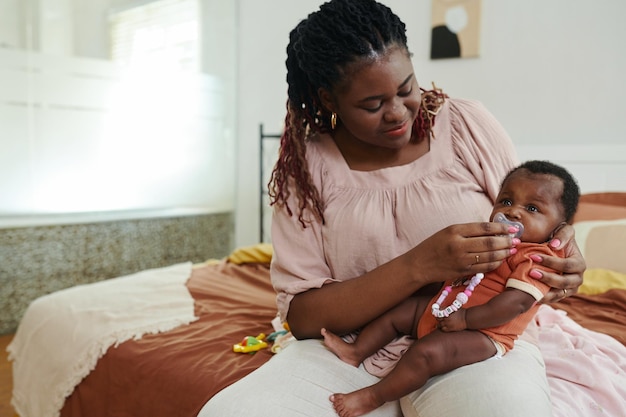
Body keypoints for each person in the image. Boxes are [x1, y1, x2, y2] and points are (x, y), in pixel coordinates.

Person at [200, 1, 585, 416]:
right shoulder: (307, 169)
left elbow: (535, 217)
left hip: (475, 339)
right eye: (372, 105)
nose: (398, 113)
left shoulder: (467, 126)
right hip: (352, 348)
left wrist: (567, 257)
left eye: (406, 89)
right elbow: (303, 317)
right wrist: (419, 265)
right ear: (329, 100)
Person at [322, 160, 580, 417]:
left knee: (427, 353)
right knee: (400, 312)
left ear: (559, 227)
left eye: (532, 208)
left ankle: (373, 396)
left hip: (485, 332)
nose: (513, 212)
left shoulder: (537, 259)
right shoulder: (490, 237)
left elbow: (516, 303)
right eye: (506, 201)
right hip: (446, 309)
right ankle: (356, 351)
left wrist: (466, 319)